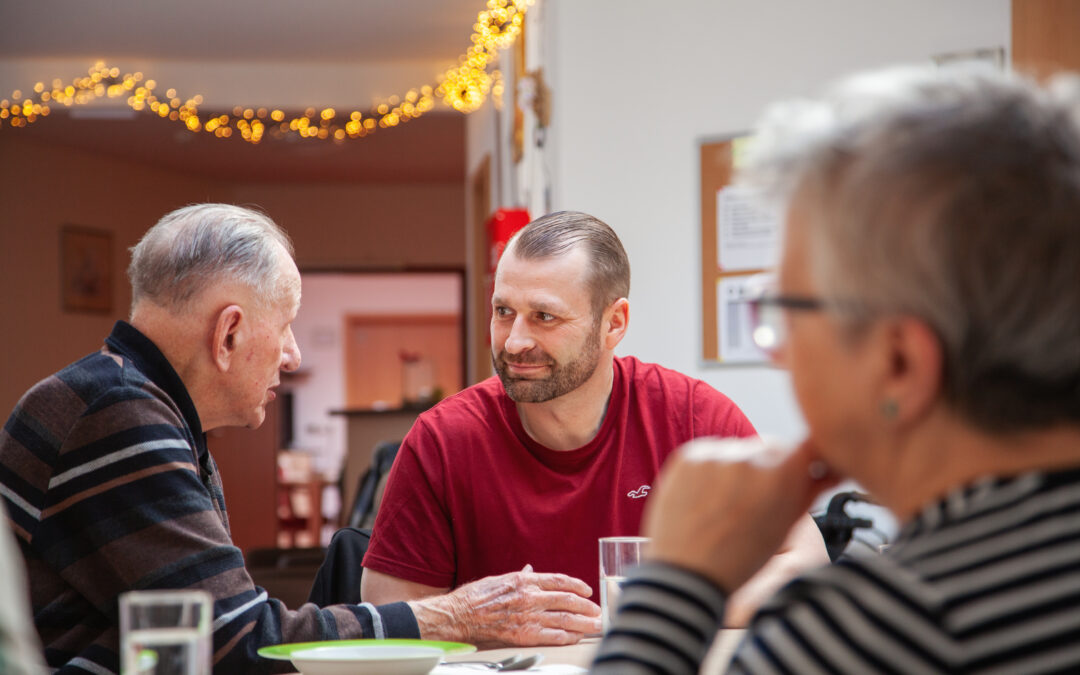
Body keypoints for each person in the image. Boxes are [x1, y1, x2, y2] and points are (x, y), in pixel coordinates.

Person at [592, 65, 1080, 673]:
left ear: (899, 363)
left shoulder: (884, 630)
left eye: (784, 312)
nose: (775, 350)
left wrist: (674, 583)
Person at [0, 204, 592, 673]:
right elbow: (244, 644)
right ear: (228, 332)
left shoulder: (132, 402)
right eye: (284, 327)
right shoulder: (119, 415)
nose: (293, 354)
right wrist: (456, 616)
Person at [360, 211, 830, 645]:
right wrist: (477, 617)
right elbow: (386, 612)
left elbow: (805, 561)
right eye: (504, 312)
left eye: (544, 317)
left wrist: (671, 611)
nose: (515, 340)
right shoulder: (443, 440)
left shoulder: (692, 418)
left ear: (614, 323)